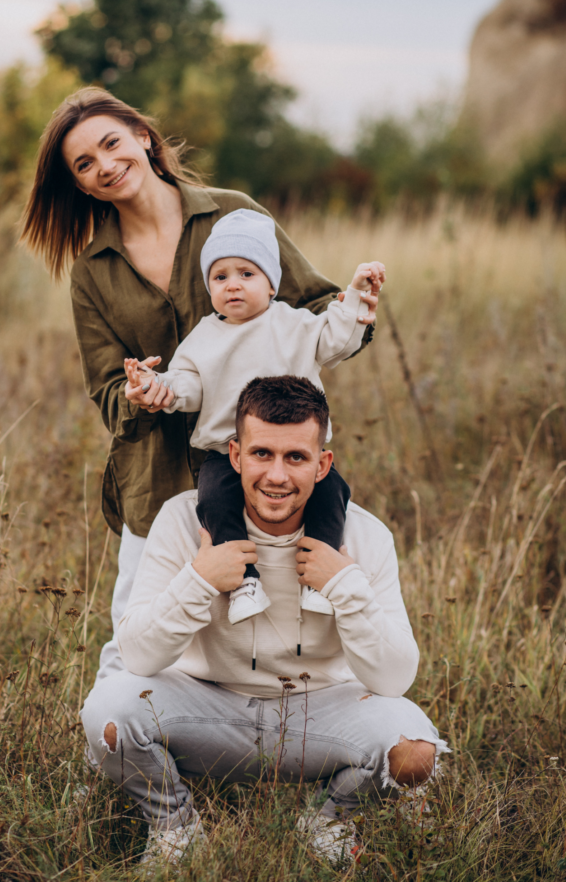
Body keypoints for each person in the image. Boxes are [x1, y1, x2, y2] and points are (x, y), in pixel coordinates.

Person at [20, 87, 380, 681]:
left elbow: (317, 306)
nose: (105, 165)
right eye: (84, 164)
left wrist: (353, 313)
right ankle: (116, 733)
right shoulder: (92, 272)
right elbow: (107, 391)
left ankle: (262, 730)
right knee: (136, 634)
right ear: (79, 184)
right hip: (156, 479)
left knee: (273, 627)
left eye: (111, 143)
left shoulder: (234, 216)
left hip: (268, 468)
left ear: (143, 137)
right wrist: (139, 394)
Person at [81, 376, 449, 868]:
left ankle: (329, 819)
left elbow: (395, 679)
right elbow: (138, 656)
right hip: (206, 707)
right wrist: (200, 579)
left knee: (415, 751)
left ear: (323, 464)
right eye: (261, 454)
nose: (277, 475)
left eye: (296, 457)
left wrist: (344, 584)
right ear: (235, 455)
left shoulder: (365, 536)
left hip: (316, 712)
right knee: (107, 712)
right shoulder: (182, 520)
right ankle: (175, 828)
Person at [123, 209, 386, 625]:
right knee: (214, 500)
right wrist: (156, 385)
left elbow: (336, 339)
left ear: (271, 283)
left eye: (246, 273)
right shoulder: (204, 338)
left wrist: (354, 297)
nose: (233, 285)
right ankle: (244, 582)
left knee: (332, 492)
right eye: (220, 277)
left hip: (295, 450)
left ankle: (320, 577)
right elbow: (188, 385)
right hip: (227, 454)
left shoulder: (295, 324)